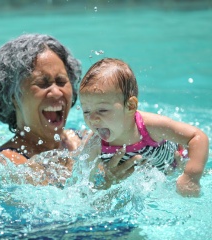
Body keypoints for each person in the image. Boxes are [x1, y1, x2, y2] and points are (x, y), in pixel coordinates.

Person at [0, 34, 141, 185]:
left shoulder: (87, 140)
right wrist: (104, 186)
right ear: (14, 97)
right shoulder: (7, 165)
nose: (57, 92)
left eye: (61, 81)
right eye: (42, 84)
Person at [79, 58, 209, 197]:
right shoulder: (95, 144)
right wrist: (106, 181)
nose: (92, 119)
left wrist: (190, 177)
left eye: (102, 110)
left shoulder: (151, 126)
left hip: (175, 166)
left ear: (130, 106)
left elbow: (197, 137)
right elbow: (83, 184)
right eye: (86, 111)